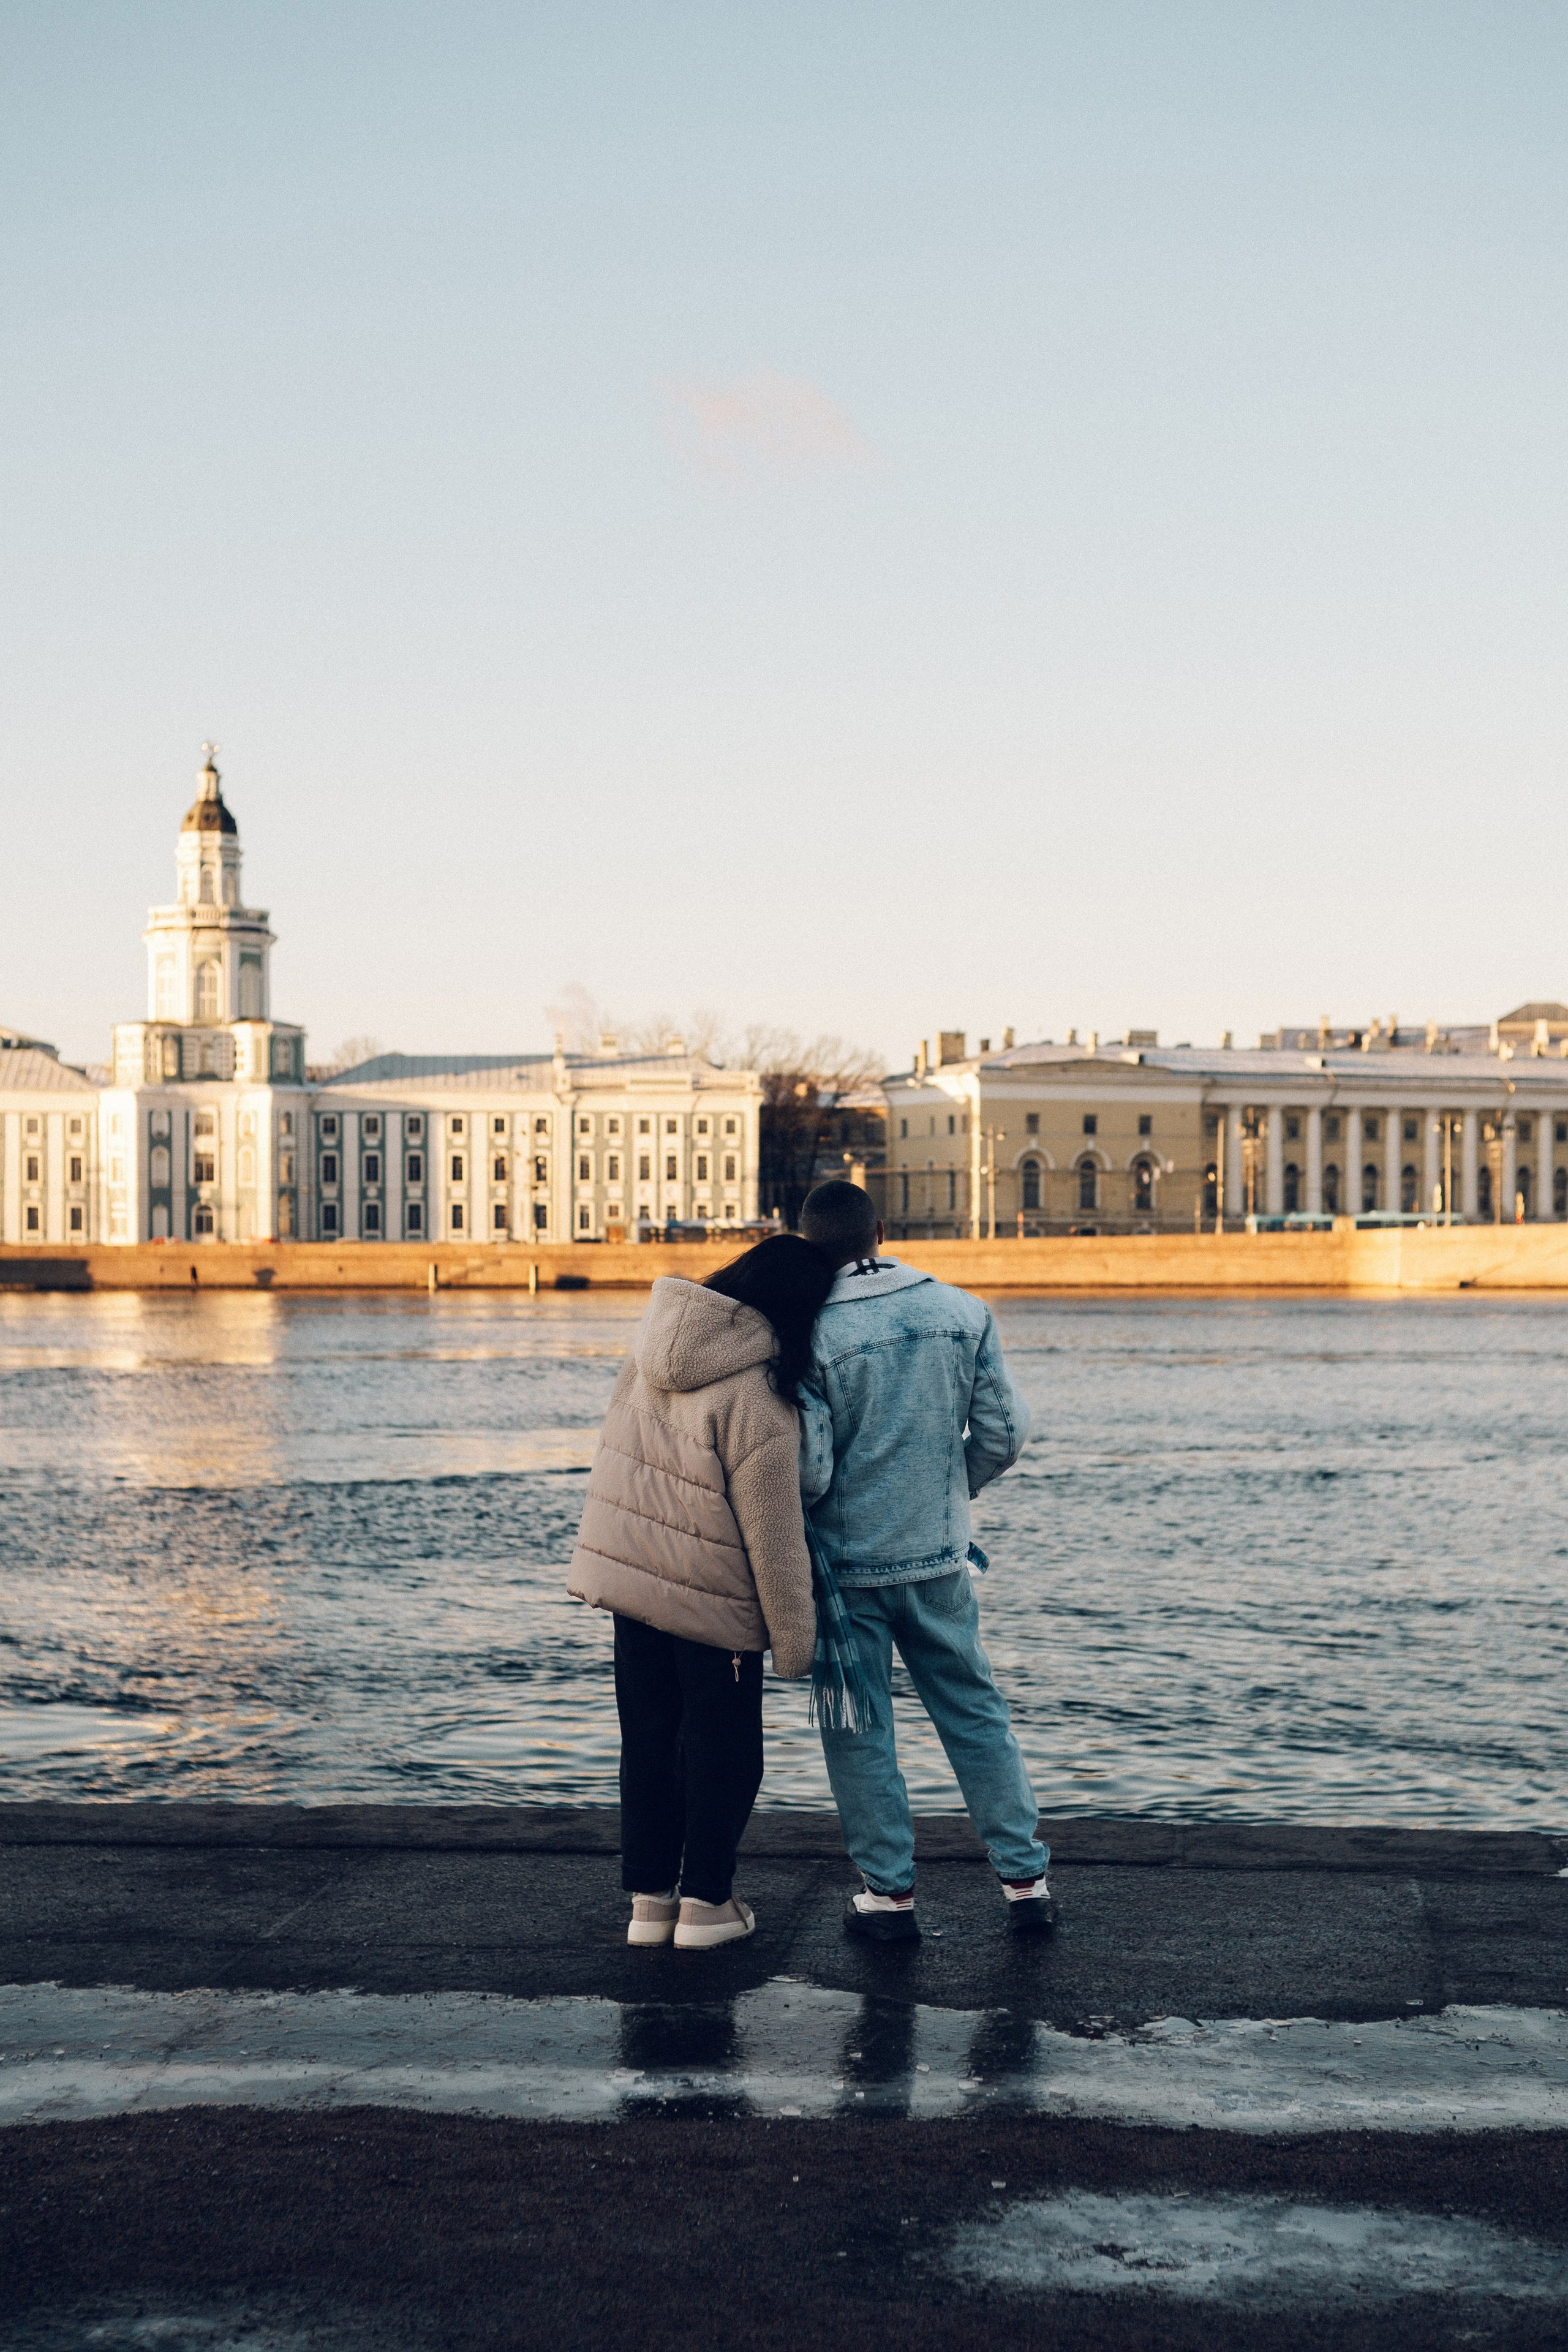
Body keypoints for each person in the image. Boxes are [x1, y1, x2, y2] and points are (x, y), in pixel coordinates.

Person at [797, 1179, 1051, 1940]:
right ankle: (1025, 1882)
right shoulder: (961, 1310)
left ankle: (889, 1897)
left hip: (846, 1572)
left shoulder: (807, 1332)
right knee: (974, 1713)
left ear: (806, 1244)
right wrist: (946, 1493)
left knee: (859, 1726)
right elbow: (1005, 1434)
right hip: (938, 1556)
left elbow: (810, 1471)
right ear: (880, 1229)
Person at [568, 1235, 832, 1950]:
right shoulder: (756, 1393)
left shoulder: (646, 1355)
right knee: (724, 1750)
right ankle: (708, 1905)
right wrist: (795, 1640)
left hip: (631, 1586)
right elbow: (773, 1534)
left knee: (648, 1744)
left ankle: (650, 1906)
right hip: (714, 1604)